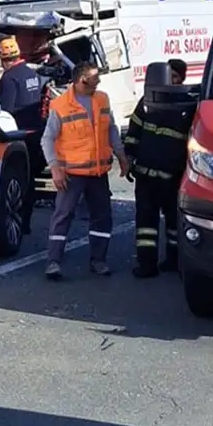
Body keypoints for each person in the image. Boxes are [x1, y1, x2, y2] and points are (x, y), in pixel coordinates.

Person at [41, 62, 130, 280]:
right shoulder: (60, 105)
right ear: (82, 80)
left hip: (98, 173)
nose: (98, 81)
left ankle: (98, 260)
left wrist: (121, 155)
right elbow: (47, 139)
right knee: (63, 216)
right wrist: (55, 168)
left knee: (102, 217)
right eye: (94, 77)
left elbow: (111, 128)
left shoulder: (102, 99)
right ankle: (54, 262)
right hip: (71, 173)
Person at [124, 59, 194, 279]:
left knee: (174, 222)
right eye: (167, 76)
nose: (168, 81)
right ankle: (146, 265)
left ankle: (174, 260)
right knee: (146, 225)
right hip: (145, 174)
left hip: (173, 177)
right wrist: (129, 158)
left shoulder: (189, 104)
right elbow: (134, 131)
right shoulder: (148, 101)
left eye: (174, 77)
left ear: (181, 79)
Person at [0, 36, 49, 235]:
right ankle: (25, 223)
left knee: (17, 181)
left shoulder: (8, 79)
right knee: (31, 180)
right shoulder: (30, 74)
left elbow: (6, 111)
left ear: (2, 59)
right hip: (36, 133)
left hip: (19, 136)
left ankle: (17, 223)